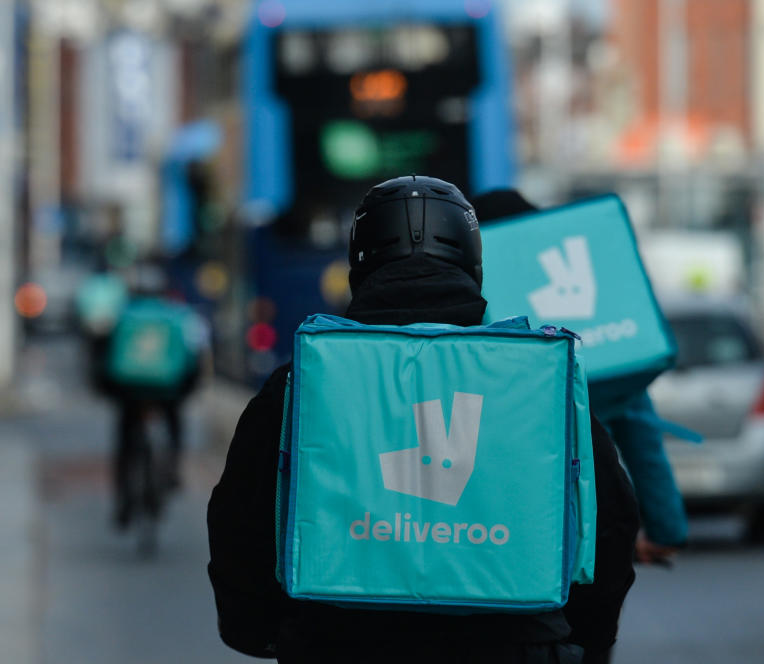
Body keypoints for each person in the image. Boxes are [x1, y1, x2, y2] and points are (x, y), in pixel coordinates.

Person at [207, 176, 640, 663]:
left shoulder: (302, 382)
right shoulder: (537, 377)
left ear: (359, 266)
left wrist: (262, 631)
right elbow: (611, 521)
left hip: (337, 646)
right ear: (473, 264)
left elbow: (239, 522)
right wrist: (581, 634)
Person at [471, 188, 688, 563]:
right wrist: (666, 530)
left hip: (497, 531)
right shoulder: (608, 355)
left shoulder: (479, 332)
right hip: (586, 531)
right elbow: (644, 444)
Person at [94, 260, 207, 528]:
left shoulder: (122, 314)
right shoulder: (178, 315)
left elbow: (103, 354)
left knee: (125, 436)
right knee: (174, 418)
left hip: (129, 388)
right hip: (168, 388)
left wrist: (106, 386)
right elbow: (194, 354)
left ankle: (123, 500)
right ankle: (173, 469)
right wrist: (191, 385)